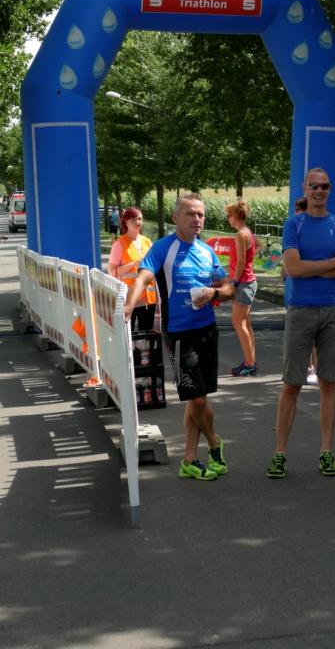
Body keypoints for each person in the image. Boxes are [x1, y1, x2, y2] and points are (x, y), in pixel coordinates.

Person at [124, 193, 234, 480]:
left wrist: (214, 292)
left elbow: (229, 288)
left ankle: (188, 460)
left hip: (207, 330)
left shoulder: (207, 251)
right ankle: (215, 443)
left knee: (196, 397)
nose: (197, 219)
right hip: (179, 333)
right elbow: (143, 277)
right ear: (175, 218)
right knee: (197, 399)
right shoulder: (163, 248)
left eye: (201, 214)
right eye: (190, 214)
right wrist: (129, 305)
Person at [266, 168, 335, 479]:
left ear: (330, 189)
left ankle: (326, 451)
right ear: (304, 188)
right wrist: (332, 262)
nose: (319, 191)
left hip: (333, 310)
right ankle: (280, 453)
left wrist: (310, 267)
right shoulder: (294, 224)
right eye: (314, 186)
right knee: (292, 384)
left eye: (324, 186)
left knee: (329, 382)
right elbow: (293, 268)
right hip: (301, 309)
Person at [282, 196, 318, 384]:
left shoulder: (315, 233)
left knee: (312, 335)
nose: (297, 214)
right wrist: (285, 268)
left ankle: (313, 368)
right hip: (298, 292)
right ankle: (306, 368)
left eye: (300, 211)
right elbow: (288, 257)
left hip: (315, 291)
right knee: (299, 335)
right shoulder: (293, 230)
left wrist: (294, 268)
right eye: (296, 210)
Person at [108, 207, 157, 333]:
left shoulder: (147, 242)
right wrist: (133, 264)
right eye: (133, 219)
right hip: (128, 299)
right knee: (128, 336)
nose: (137, 222)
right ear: (126, 222)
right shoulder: (119, 244)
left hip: (148, 299)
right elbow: (112, 271)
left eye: (139, 219)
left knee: (147, 336)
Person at [225, 200, 258, 376]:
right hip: (248, 282)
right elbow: (257, 246)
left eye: (229, 215)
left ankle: (249, 364)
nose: (228, 218)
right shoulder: (247, 232)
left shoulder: (240, 235)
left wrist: (234, 282)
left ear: (236, 216)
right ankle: (251, 361)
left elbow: (241, 263)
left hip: (243, 283)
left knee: (238, 323)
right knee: (245, 323)